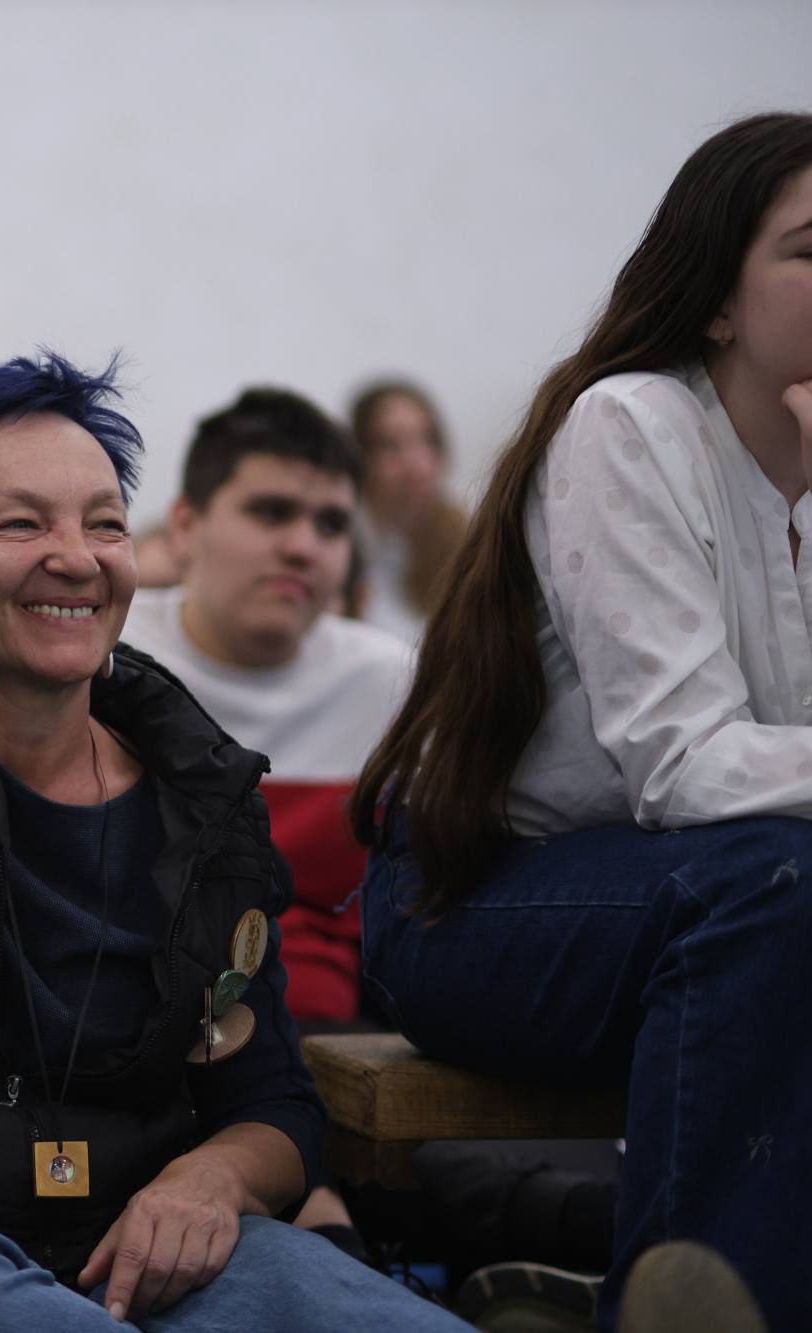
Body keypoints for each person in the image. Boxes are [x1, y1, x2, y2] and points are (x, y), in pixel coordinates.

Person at [0, 122, 466, 1330]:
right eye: (18, 525)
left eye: (102, 523)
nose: (74, 557)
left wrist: (212, 1180)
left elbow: (271, 1102)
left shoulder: (201, 788)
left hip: (157, 1258)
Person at [353, 111, 812, 1333]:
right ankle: (682, 1305)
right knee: (782, 879)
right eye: (811, 250)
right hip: (475, 903)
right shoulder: (630, 423)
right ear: (716, 301)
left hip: (701, 907)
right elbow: (687, 771)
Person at [125, 388, 411, 1026]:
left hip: (335, 1041)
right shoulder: (106, 657)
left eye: (331, 524)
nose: (304, 547)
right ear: (185, 525)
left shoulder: (396, 684)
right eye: (271, 511)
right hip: (127, 1028)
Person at [348, 379, 466, 642]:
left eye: (427, 440)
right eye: (389, 445)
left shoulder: (467, 532)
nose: (416, 463)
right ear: (361, 457)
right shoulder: (346, 543)